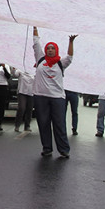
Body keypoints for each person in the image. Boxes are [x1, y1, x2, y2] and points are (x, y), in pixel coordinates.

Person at [33, 27, 76, 158]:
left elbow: (70, 56)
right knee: (43, 123)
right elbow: (36, 44)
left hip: (57, 98)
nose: (50, 50)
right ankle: (47, 148)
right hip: (41, 97)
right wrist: (34, 28)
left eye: (52, 48)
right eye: (48, 48)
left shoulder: (60, 63)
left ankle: (63, 149)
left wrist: (71, 42)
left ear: (56, 50)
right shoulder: (40, 59)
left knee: (59, 123)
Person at [11, 66, 34, 133]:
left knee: (29, 109)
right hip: (22, 92)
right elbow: (15, 74)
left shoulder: (34, 71)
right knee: (21, 108)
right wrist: (13, 68)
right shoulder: (20, 70)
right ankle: (17, 125)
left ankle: (27, 126)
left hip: (31, 93)